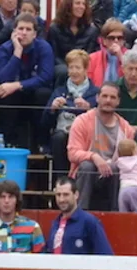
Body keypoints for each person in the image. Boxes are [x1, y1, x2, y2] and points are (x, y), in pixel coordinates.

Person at [68, 80, 134, 210]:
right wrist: (94, 157)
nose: (108, 100)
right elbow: (72, 153)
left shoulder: (126, 129)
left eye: (112, 97)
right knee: (87, 165)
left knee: (116, 168)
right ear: (97, 98)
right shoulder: (82, 121)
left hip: (112, 174)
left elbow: (129, 160)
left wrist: (110, 163)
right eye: (104, 96)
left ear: (118, 101)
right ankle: (81, 213)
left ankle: (116, 214)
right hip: (87, 173)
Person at [0, 12, 54, 147]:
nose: (24, 33)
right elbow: (3, 78)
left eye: (28, 29)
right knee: (5, 92)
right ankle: (8, 142)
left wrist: (18, 85)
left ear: (34, 34)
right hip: (14, 95)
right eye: (20, 29)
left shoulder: (44, 47)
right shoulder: (4, 49)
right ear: (14, 32)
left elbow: (46, 77)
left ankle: (41, 143)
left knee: (43, 93)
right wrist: (17, 52)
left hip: (34, 92)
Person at [45, 49, 99, 178]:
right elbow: (44, 122)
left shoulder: (96, 92)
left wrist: (89, 108)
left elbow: (103, 119)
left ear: (86, 69)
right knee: (59, 138)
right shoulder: (59, 91)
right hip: (63, 134)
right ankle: (62, 181)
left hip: (87, 136)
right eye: (71, 67)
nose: (74, 71)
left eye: (78, 68)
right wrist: (52, 109)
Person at [45, 176, 113, 253]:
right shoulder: (55, 223)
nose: (61, 199)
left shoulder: (89, 222)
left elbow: (105, 254)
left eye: (66, 194)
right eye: (58, 195)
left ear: (76, 195)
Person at [0, 180, 45, 252]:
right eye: (2, 197)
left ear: (17, 200)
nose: (6, 201)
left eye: (11, 197)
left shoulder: (33, 227)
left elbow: (42, 257)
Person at [48, 0, 99, 84]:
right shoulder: (55, 28)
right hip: (62, 66)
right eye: (77, 3)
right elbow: (54, 54)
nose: (81, 7)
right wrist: (71, 68)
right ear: (68, 5)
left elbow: (90, 54)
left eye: (83, 4)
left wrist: (78, 67)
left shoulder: (92, 30)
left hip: (83, 66)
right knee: (63, 71)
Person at [88, 18, 126, 85]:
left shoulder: (131, 56)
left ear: (123, 41)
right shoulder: (92, 58)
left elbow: (133, 77)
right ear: (104, 40)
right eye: (111, 38)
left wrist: (121, 57)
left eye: (119, 38)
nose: (116, 41)